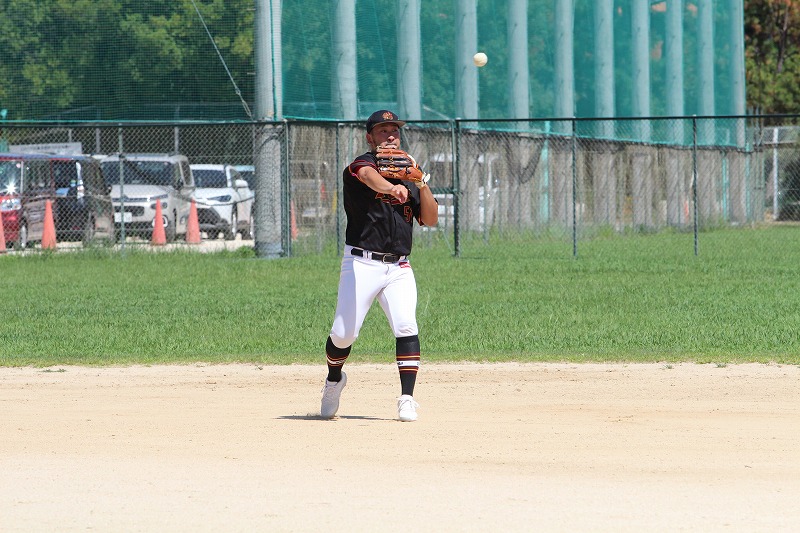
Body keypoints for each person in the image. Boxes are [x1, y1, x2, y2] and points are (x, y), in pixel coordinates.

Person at [321, 110, 438, 422]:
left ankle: (407, 398)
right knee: (344, 334)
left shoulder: (409, 173)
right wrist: (390, 187)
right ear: (369, 137)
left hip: (399, 267)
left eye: (394, 130)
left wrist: (421, 183)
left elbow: (430, 218)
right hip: (361, 262)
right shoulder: (361, 165)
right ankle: (334, 379)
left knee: (406, 325)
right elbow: (368, 177)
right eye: (383, 130)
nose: (390, 135)